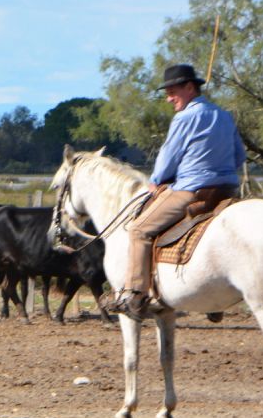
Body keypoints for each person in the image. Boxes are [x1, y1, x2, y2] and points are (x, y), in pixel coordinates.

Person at [102, 62, 245, 320]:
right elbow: (239, 156)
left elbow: (170, 154)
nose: (168, 98)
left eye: (172, 92)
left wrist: (157, 180)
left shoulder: (184, 117)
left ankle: (135, 295)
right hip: (227, 190)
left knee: (139, 230)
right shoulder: (225, 115)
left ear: (189, 88)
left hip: (192, 190)